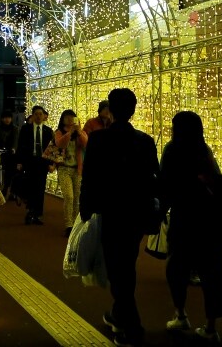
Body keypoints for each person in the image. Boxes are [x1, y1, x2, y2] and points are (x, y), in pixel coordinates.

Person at [79, 88, 160, 347]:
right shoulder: (145, 141)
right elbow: (153, 178)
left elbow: (89, 177)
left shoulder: (100, 140)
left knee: (118, 268)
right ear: (133, 110)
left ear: (110, 111)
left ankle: (130, 326)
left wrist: (85, 208)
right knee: (126, 263)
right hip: (136, 212)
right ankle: (118, 315)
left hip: (110, 211)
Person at [159, 111, 222, 342]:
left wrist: (158, 213)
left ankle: (180, 313)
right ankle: (211, 327)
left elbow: (165, 185)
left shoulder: (172, 149)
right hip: (209, 220)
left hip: (183, 217)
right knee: (212, 273)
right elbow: (218, 182)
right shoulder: (204, 150)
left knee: (177, 268)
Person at [50, 109, 87, 237]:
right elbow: (60, 144)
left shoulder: (80, 132)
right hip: (64, 169)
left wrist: (78, 132)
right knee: (69, 197)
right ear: (63, 119)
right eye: (67, 117)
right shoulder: (59, 132)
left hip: (77, 169)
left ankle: (76, 225)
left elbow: (86, 144)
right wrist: (69, 133)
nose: (70, 120)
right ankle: (68, 225)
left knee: (77, 198)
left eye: (72, 117)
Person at [16, 104, 54, 225]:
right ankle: (29, 211)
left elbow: (51, 148)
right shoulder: (26, 129)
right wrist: (20, 162)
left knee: (40, 188)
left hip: (42, 163)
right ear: (32, 116)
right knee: (30, 187)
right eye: (36, 114)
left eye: (40, 114)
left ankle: (38, 214)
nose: (38, 116)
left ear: (44, 116)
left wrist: (51, 163)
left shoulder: (48, 131)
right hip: (29, 161)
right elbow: (20, 145)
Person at [0, 110, 18, 192]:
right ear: (2, 119)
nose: (7, 120)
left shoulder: (14, 128)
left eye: (9, 118)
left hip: (10, 153)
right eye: (5, 118)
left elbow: (15, 140)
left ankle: (6, 187)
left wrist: (13, 148)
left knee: (10, 171)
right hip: (0, 152)